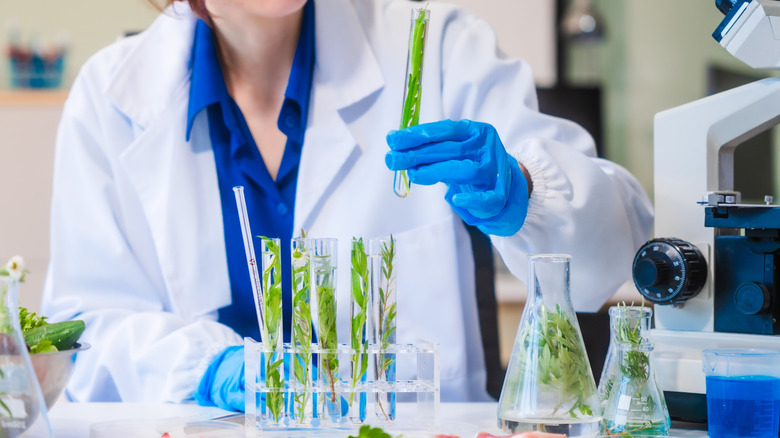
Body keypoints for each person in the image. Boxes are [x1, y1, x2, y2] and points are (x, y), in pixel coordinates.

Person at [42, 0, 653, 412]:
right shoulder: (111, 97)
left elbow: (616, 248)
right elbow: (85, 331)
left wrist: (525, 193)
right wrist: (211, 371)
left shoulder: (430, 46)